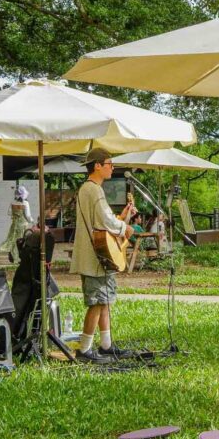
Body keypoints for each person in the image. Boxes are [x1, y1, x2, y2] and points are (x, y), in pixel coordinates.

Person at [71, 148, 135, 362]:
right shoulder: (94, 190)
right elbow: (105, 222)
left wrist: (122, 218)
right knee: (97, 302)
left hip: (98, 255)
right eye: (109, 163)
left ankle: (106, 345)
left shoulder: (89, 189)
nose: (112, 167)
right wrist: (124, 227)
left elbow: (103, 220)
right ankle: (85, 349)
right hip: (95, 257)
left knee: (104, 300)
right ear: (97, 165)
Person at [0, 185, 32, 261]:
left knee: (13, 240)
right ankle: (20, 257)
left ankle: (13, 256)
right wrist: (31, 221)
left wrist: (15, 215)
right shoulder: (25, 203)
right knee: (22, 240)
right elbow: (28, 216)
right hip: (23, 225)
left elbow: (9, 213)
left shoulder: (12, 203)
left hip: (14, 225)